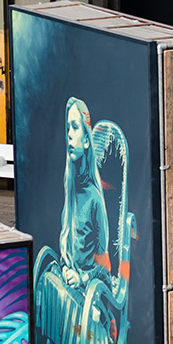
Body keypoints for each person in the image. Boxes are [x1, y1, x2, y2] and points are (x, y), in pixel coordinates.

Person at [59, 97, 110, 289]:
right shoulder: (70, 192)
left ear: (87, 139)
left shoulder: (94, 198)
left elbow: (105, 267)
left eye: (75, 127)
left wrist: (82, 279)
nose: (69, 135)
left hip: (88, 299)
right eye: (68, 128)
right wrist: (65, 268)